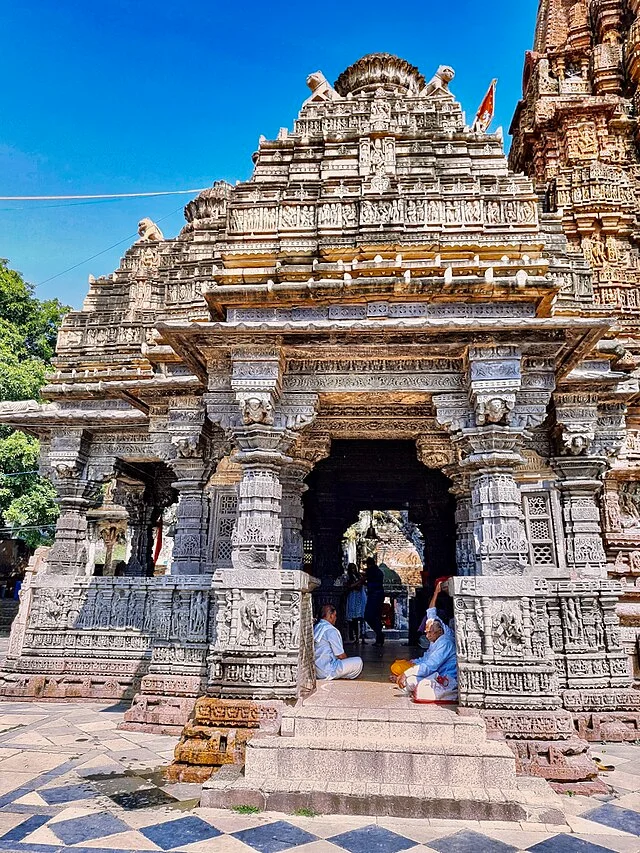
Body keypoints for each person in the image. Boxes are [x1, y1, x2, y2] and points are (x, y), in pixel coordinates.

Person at [391, 580, 458, 702]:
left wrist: (407, 673)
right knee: (403, 672)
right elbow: (431, 612)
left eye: (429, 632)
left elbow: (430, 666)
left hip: (445, 678)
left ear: (439, 631)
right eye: (426, 632)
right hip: (434, 673)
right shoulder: (436, 634)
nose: (427, 635)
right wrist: (436, 592)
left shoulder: (445, 643)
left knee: (412, 682)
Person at [313, 604, 363, 680]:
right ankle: (339, 675)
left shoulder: (316, 627)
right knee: (358, 662)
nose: (336, 618)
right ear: (331, 616)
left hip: (317, 671)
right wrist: (347, 663)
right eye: (335, 615)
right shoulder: (331, 630)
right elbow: (341, 655)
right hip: (328, 670)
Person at [364, 556, 385, 646]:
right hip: (379, 594)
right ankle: (379, 636)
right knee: (376, 616)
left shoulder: (371, 571)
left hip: (374, 595)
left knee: (369, 616)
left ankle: (379, 634)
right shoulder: (379, 572)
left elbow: (363, 580)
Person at [345, 563, 367, 642]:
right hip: (353, 597)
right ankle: (356, 638)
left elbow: (364, 584)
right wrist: (358, 582)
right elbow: (349, 586)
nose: (353, 570)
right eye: (352, 568)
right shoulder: (348, 577)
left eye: (354, 568)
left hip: (360, 597)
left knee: (362, 618)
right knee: (354, 619)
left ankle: (363, 637)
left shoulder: (359, 576)